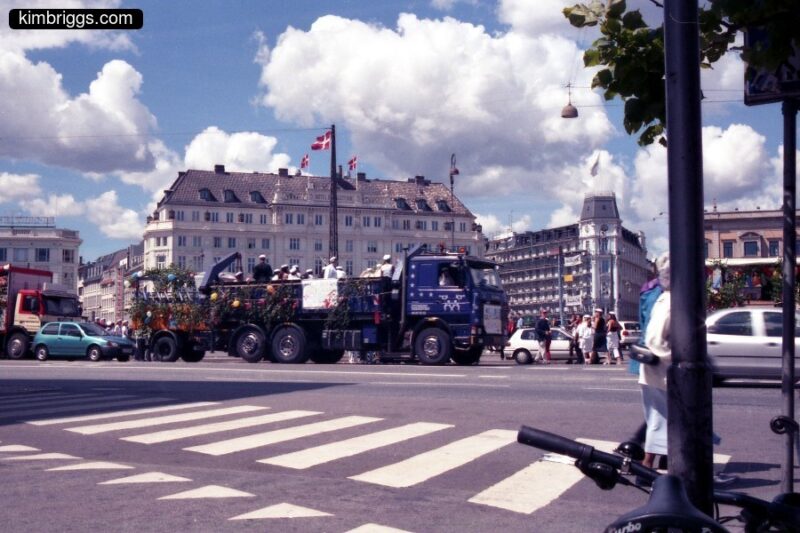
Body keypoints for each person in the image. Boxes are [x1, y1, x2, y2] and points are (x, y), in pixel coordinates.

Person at [641, 253, 671, 470]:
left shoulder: (662, 296)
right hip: (662, 372)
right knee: (660, 420)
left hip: (656, 371)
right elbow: (654, 339)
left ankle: (656, 465)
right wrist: (677, 357)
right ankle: (647, 467)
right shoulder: (669, 300)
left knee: (660, 420)